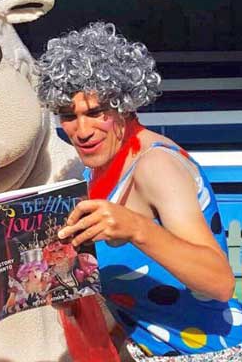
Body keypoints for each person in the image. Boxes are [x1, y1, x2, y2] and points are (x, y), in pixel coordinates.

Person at [37, 22, 242, 361]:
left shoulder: (154, 165)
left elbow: (220, 282)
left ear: (124, 104)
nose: (82, 130)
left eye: (95, 112)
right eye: (67, 115)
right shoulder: (97, 171)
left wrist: (137, 228)